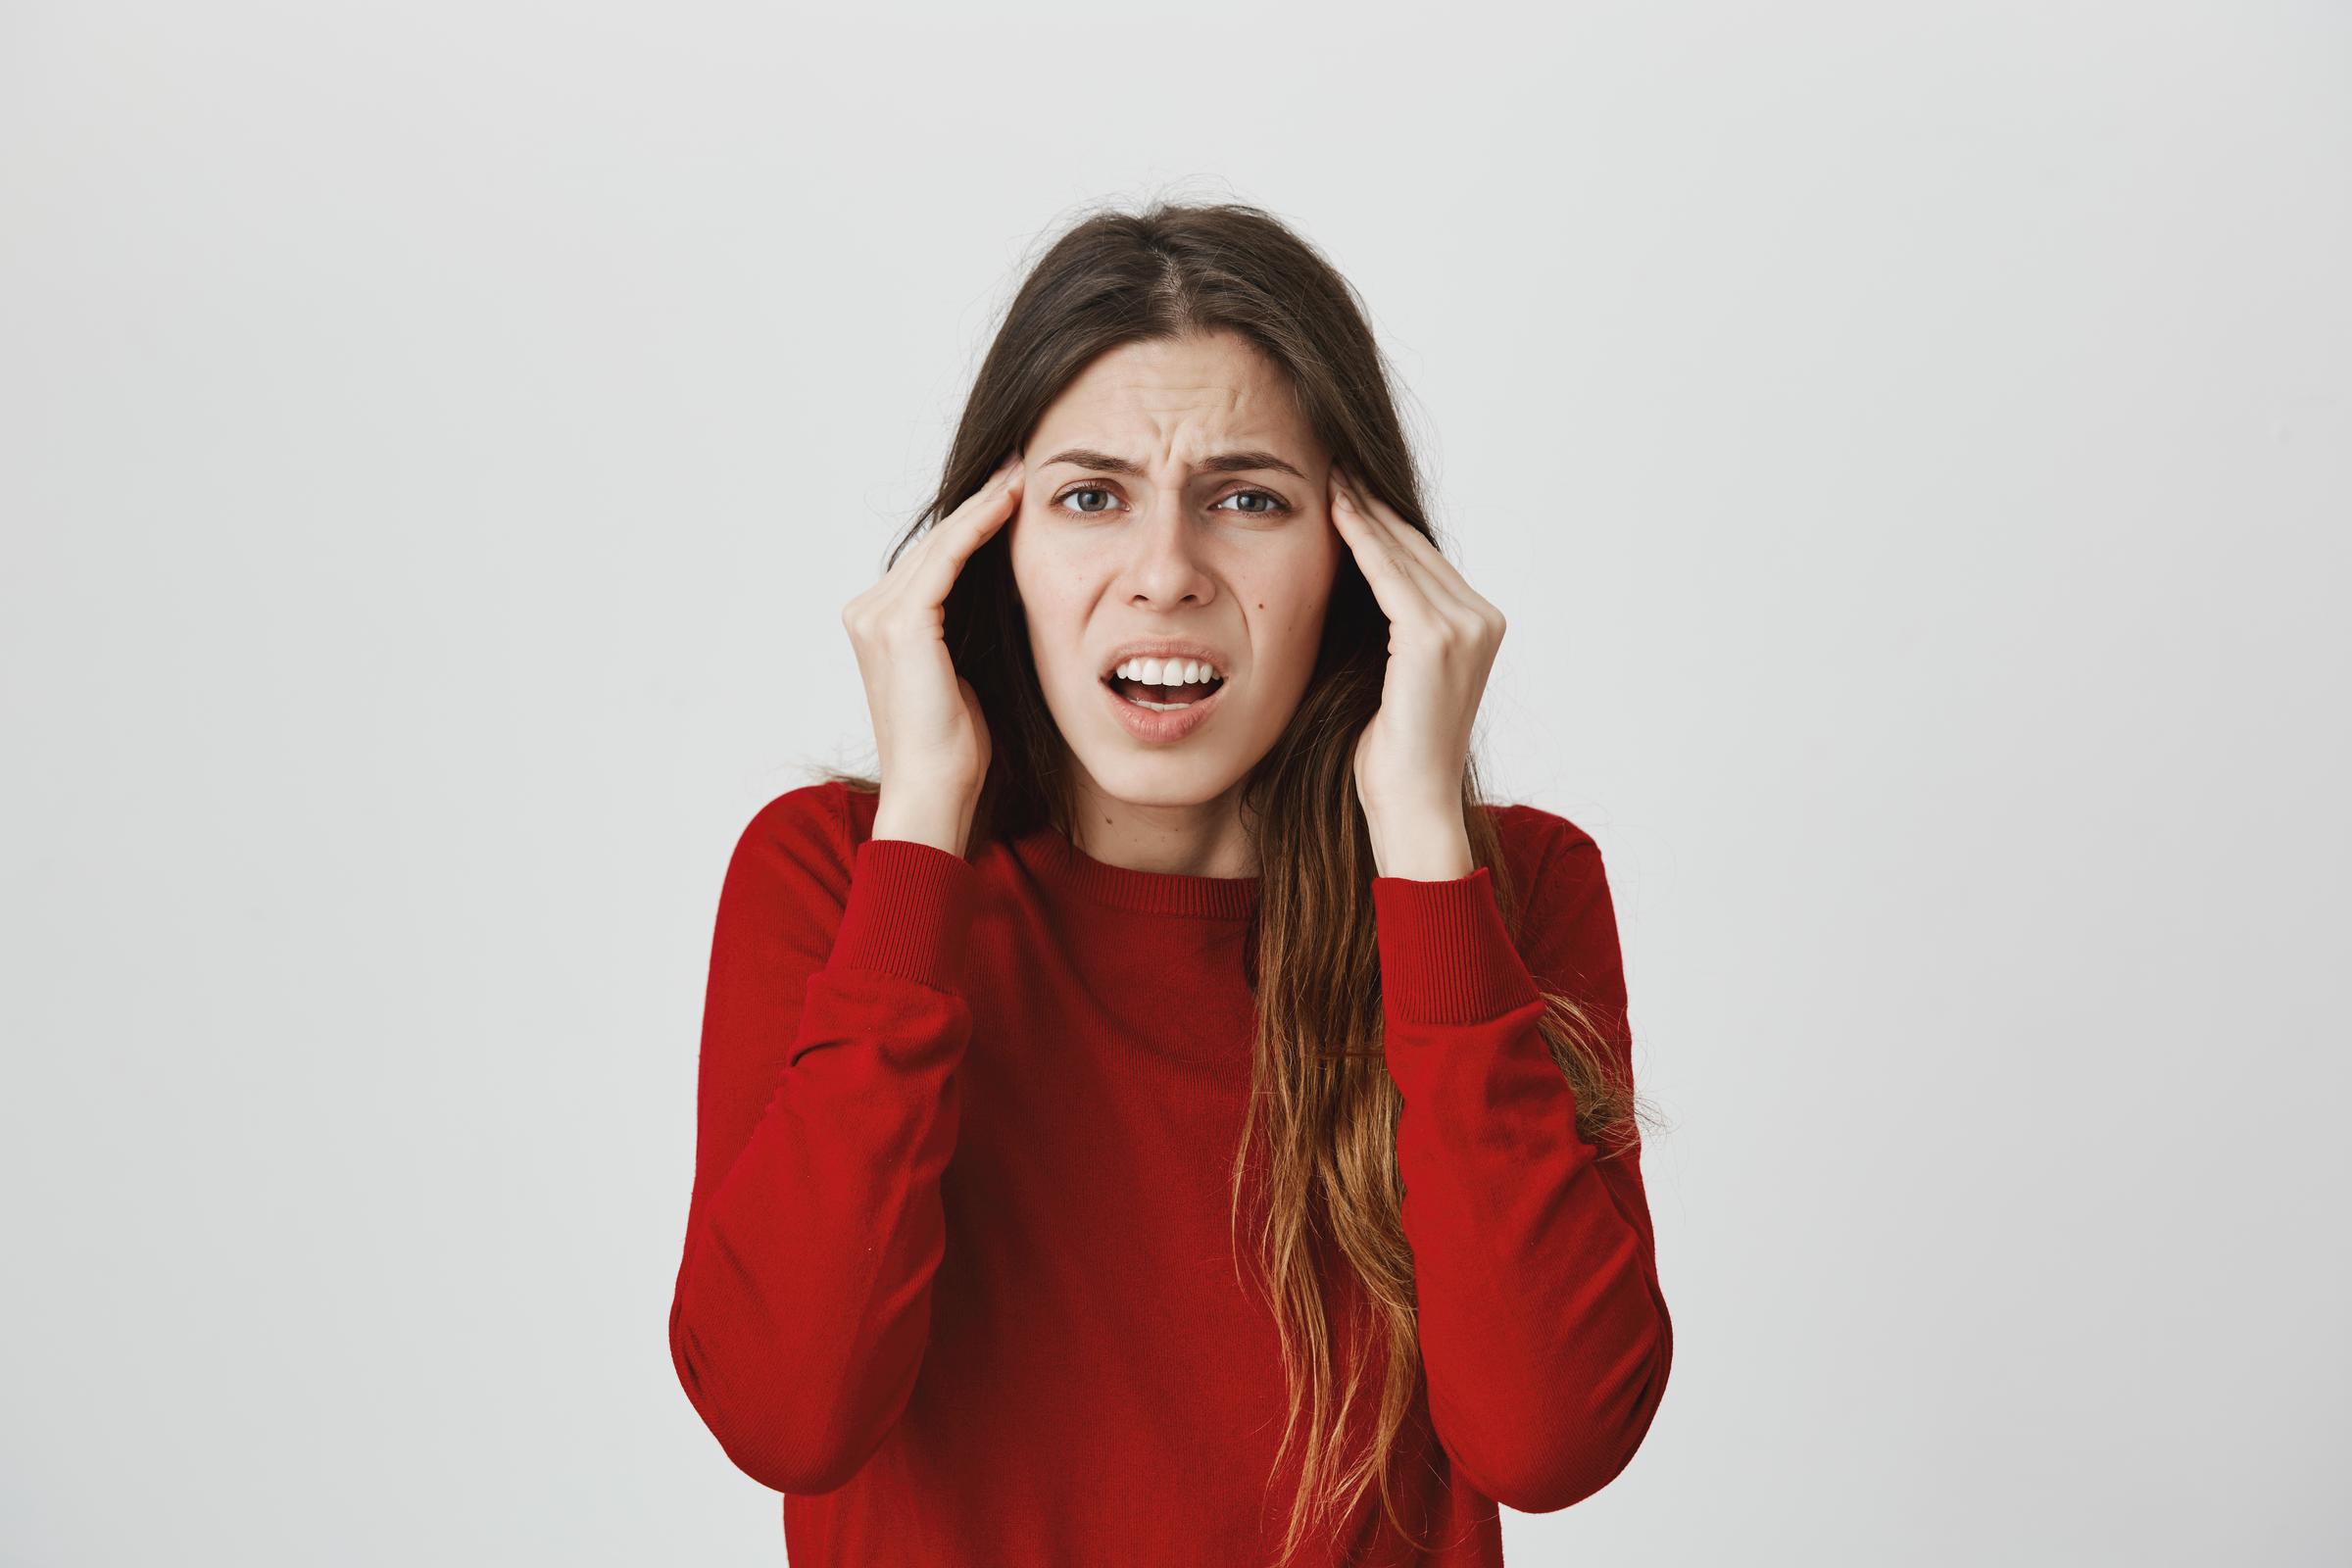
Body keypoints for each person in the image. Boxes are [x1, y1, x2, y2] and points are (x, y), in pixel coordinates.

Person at [666, 199, 1672, 1567]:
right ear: (989, 549)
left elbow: (1550, 1443)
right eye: (1091, 498)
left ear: (1361, 562)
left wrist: (1425, 843)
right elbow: (789, 1416)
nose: (1165, 576)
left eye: (1248, 499)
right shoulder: (838, 880)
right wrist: (921, 826)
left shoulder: (1513, 888)